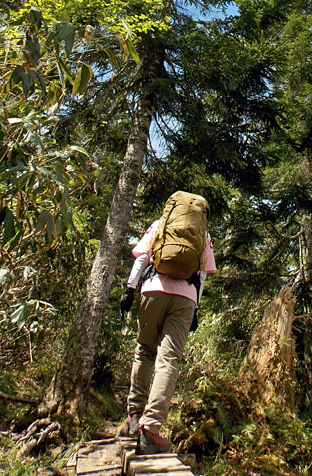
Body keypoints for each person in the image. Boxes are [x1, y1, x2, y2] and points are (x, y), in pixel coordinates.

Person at [117, 191, 216, 454]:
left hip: (153, 289)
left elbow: (141, 257)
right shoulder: (203, 236)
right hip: (184, 298)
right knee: (168, 360)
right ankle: (150, 430)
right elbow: (203, 275)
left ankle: (133, 418)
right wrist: (194, 307)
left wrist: (129, 288)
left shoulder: (160, 224)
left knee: (144, 351)